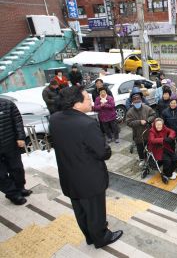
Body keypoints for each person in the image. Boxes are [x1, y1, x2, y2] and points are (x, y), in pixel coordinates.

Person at [49, 86, 123, 248]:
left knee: (80, 211)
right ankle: (102, 238)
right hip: (89, 179)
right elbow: (103, 152)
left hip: (69, 176)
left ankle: (90, 236)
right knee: (95, 212)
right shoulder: (87, 124)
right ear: (76, 104)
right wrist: (106, 148)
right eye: (87, 98)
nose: (91, 100)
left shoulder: (54, 119)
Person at [0, 98, 32, 205]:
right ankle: (13, 194)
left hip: (10, 144)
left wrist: (21, 137)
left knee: (17, 168)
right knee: (1, 174)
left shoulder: (7, 104)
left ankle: (20, 188)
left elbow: (17, 121)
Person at [126, 92, 156, 162]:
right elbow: (128, 122)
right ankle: (142, 160)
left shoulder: (147, 108)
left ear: (141, 101)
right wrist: (139, 122)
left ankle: (150, 159)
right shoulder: (130, 112)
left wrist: (148, 120)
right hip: (137, 134)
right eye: (135, 102)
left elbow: (153, 115)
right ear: (133, 103)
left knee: (149, 147)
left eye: (138, 102)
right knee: (140, 149)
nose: (137, 104)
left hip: (148, 132)